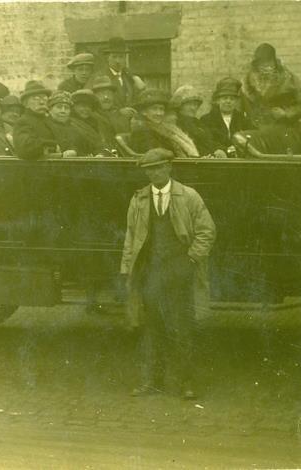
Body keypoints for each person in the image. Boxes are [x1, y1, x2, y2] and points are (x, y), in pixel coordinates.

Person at [120, 147, 216, 399]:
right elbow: (131, 236)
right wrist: (127, 269)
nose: (155, 173)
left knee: (181, 329)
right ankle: (152, 382)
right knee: (151, 329)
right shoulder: (139, 199)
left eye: (159, 167)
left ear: (169, 167)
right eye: (149, 169)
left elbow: (207, 231)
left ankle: (186, 384)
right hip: (151, 273)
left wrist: (191, 258)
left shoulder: (188, 196)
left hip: (180, 273)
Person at [241, 43, 301, 156]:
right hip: (258, 135)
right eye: (261, 64)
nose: (265, 67)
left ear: (274, 62)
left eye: (268, 63)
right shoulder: (248, 84)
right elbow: (242, 110)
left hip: (283, 132)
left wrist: (286, 113)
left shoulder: (288, 80)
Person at [129, 89, 200, 158]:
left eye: (161, 109)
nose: (159, 113)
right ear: (144, 112)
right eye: (154, 109)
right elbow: (153, 155)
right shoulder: (141, 131)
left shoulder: (163, 129)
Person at [199, 78, 252, 154]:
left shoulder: (243, 119)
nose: (228, 101)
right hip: (218, 160)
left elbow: (252, 137)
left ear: (236, 102)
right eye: (225, 98)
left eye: (232, 99)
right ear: (218, 101)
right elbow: (207, 141)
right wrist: (225, 150)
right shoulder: (206, 120)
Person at [170, 85, 224, 158]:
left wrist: (220, 149)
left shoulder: (197, 123)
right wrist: (202, 157)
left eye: (195, 104)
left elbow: (209, 141)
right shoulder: (175, 123)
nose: (193, 108)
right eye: (189, 104)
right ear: (180, 105)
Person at [12, 80, 58, 160]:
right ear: (26, 103)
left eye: (44, 98)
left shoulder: (50, 120)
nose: (41, 102)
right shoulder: (23, 122)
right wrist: (52, 144)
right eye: (36, 98)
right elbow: (25, 148)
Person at [97, 37, 146, 108]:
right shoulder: (100, 77)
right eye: (114, 57)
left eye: (121, 57)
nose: (118, 61)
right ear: (108, 58)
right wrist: (119, 112)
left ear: (125, 58)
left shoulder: (129, 77)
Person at [70, 89, 115, 157]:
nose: (86, 109)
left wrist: (103, 153)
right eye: (82, 106)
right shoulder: (70, 123)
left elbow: (105, 143)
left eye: (89, 106)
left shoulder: (97, 122)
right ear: (74, 107)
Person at [45, 90, 81, 157]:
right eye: (59, 107)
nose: (63, 111)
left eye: (66, 108)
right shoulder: (43, 126)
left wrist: (75, 151)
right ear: (50, 110)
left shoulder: (75, 127)